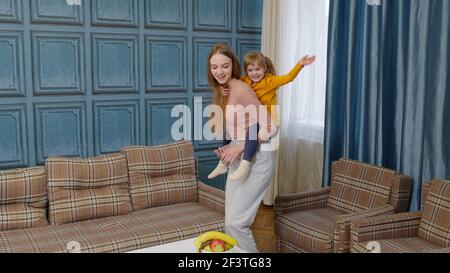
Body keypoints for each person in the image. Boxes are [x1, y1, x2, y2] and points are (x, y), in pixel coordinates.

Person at [207, 44, 276, 252]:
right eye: (214, 67)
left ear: (233, 66)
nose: (219, 71)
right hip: (240, 155)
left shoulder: (242, 89)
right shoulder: (223, 90)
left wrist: (239, 147)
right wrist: (228, 150)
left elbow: (270, 126)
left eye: (225, 66)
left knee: (236, 223)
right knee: (230, 220)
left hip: (258, 158)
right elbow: (237, 125)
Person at [208, 51, 316, 181]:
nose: (254, 73)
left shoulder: (270, 81)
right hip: (254, 115)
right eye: (250, 70)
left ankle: (245, 163)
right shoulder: (245, 81)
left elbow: (288, 78)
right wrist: (220, 88)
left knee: (252, 129)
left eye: (258, 69)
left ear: (265, 69)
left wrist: (300, 64)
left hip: (267, 118)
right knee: (227, 130)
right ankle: (223, 162)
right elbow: (229, 82)